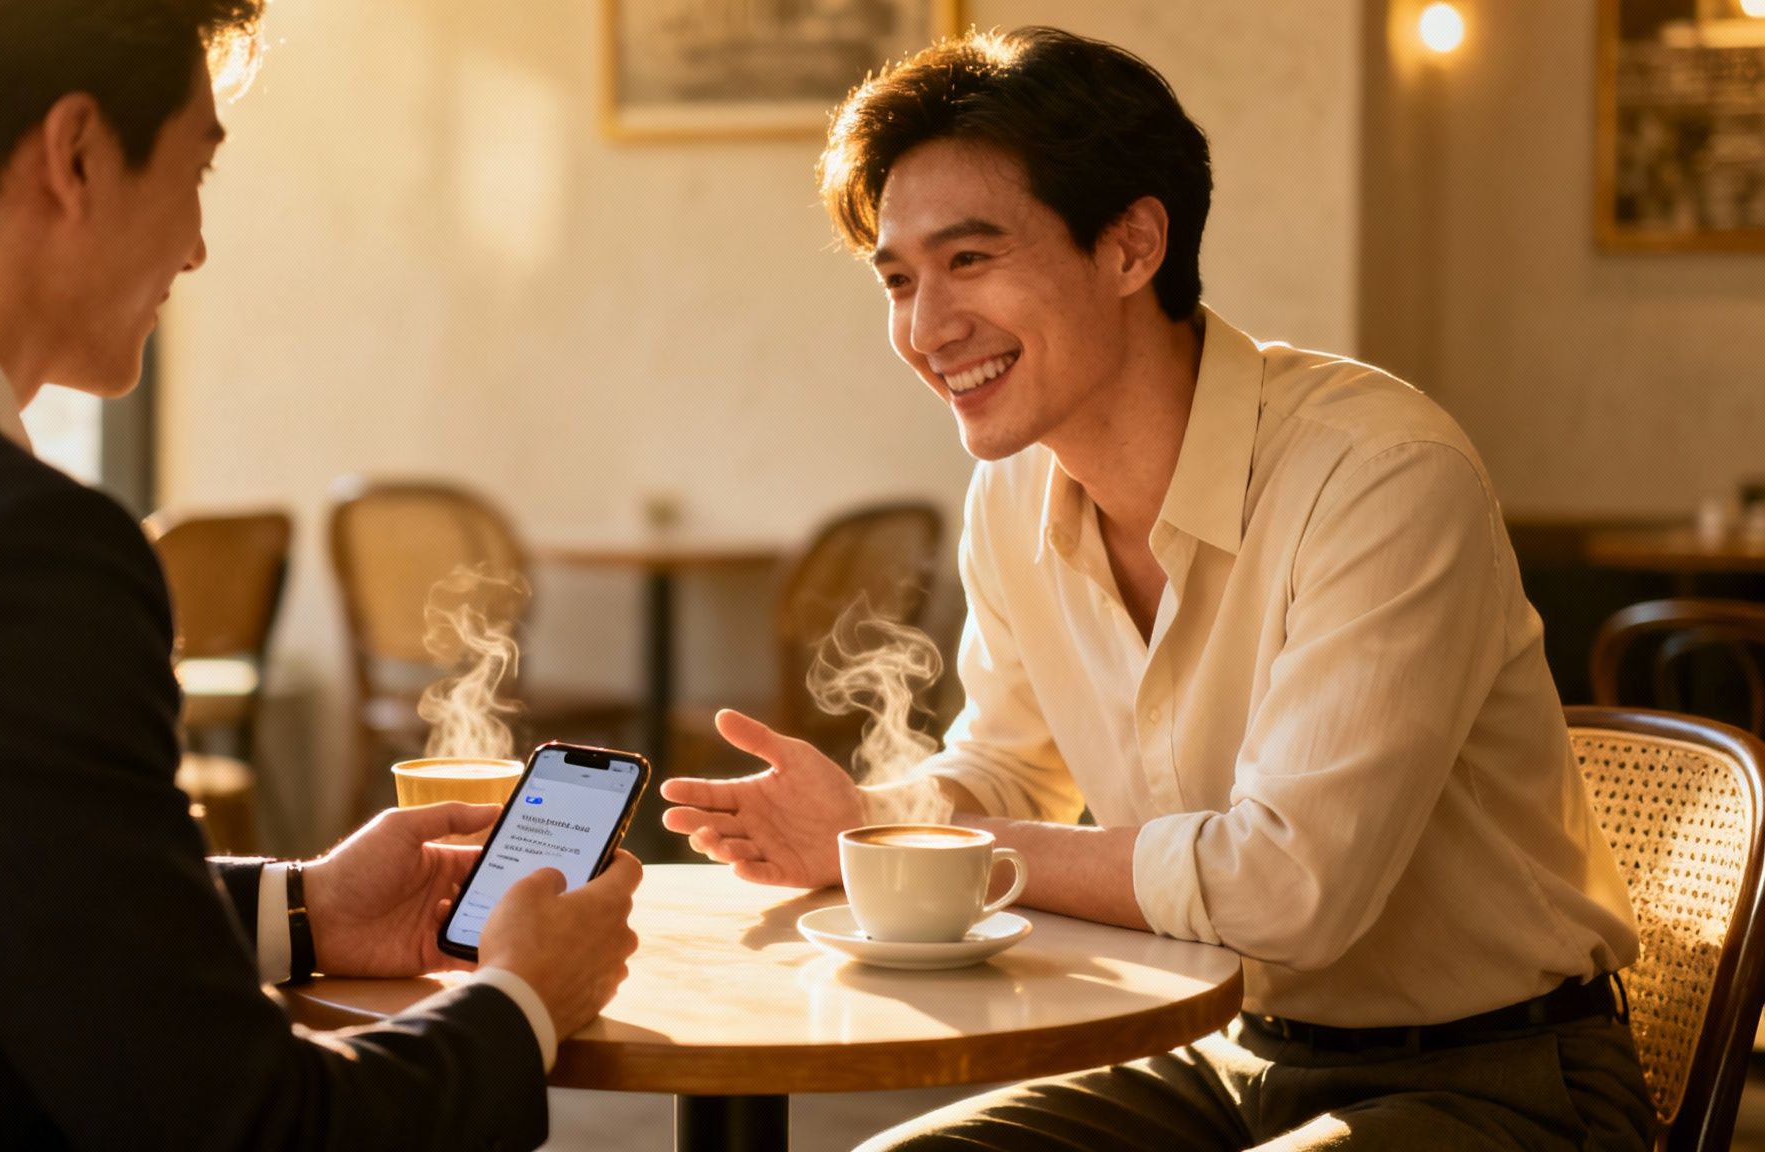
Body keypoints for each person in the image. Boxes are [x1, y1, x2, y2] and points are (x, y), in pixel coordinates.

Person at [662, 26, 1657, 1151]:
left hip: (1499, 1079)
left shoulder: (1375, 474)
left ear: (1132, 245)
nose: (924, 330)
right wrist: (862, 828)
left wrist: (931, 858)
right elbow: (1006, 773)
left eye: (969, 260)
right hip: (1221, 1054)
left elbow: (1289, 892)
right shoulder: (1011, 492)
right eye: (898, 279)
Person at [0, 1, 639, 1149]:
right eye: (199, 165)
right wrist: (521, 1005)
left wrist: (302, 909)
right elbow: (246, 1129)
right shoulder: (13, 554)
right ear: (77, 154)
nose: (198, 244)